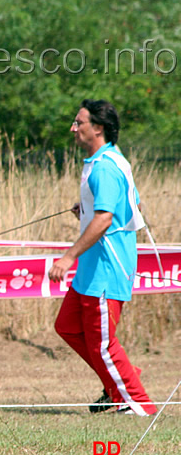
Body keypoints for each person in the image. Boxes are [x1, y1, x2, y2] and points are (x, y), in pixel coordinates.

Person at [48, 99, 156, 417]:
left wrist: (67, 257)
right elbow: (127, 202)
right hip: (90, 271)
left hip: (107, 271)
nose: (73, 127)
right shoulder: (108, 159)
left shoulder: (106, 167)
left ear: (98, 128)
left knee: (103, 346)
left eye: (79, 122)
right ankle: (119, 381)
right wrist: (87, 206)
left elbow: (106, 219)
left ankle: (139, 406)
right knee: (67, 326)